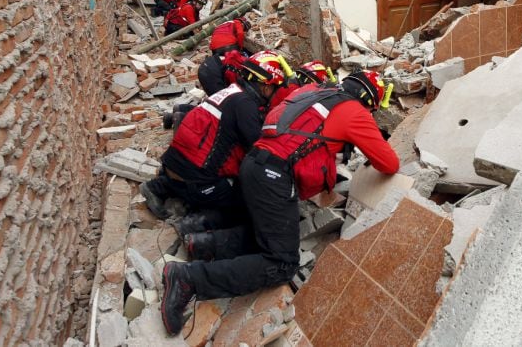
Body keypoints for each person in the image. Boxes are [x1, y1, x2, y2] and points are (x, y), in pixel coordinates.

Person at [159, 70, 399, 335]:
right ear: (368, 99)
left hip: (253, 164)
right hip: (275, 175)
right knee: (281, 263)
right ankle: (188, 279)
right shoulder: (354, 111)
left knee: (273, 232)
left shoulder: (311, 92)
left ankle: (208, 244)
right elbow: (389, 163)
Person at [140, 51, 291, 220]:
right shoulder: (245, 105)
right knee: (244, 201)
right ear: (266, 86)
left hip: (176, 163)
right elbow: (257, 148)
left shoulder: (233, 91)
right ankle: (194, 222)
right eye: (274, 89)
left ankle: (162, 186)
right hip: (195, 176)